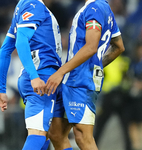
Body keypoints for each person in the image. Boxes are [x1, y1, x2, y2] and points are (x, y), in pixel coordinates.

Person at [45, 0, 125, 149]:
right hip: (73, 79)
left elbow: (91, 47)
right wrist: (97, 65)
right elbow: (119, 46)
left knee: (83, 137)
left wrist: (60, 72)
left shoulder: (95, 8)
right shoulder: (105, 9)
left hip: (80, 81)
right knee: (56, 133)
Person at [0, 0, 64, 149]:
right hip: (42, 76)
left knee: (45, 136)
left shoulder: (21, 8)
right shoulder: (34, 4)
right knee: (37, 134)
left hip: (38, 76)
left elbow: (4, 51)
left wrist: (1, 89)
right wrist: (34, 76)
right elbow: (21, 42)